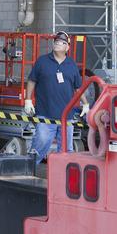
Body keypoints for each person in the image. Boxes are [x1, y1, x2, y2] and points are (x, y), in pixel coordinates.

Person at [24, 31, 82, 160]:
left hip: (66, 117)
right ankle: (28, 170)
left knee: (66, 152)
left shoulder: (72, 65)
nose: (57, 44)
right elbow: (32, 80)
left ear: (67, 47)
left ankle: (64, 177)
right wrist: (28, 100)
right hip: (45, 114)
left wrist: (86, 104)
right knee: (40, 147)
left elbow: (78, 88)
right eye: (56, 42)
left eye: (62, 42)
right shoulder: (42, 61)